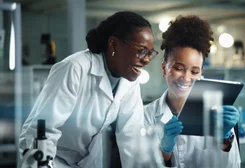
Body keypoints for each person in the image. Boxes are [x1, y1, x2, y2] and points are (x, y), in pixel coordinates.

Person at [19, 11, 158, 168]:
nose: (146, 60)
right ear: (113, 44)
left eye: (150, 53)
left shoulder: (129, 82)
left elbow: (132, 138)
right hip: (53, 160)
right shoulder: (75, 68)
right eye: (141, 50)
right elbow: (42, 130)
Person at [144, 15, 241, 167]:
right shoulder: (146, 116)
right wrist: (165, 152)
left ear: (201, 73)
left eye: (194, 72)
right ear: (164, 68)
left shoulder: (215, 114)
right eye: (179, 68)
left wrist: (225, 137)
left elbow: (233, 166)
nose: (186, 78)